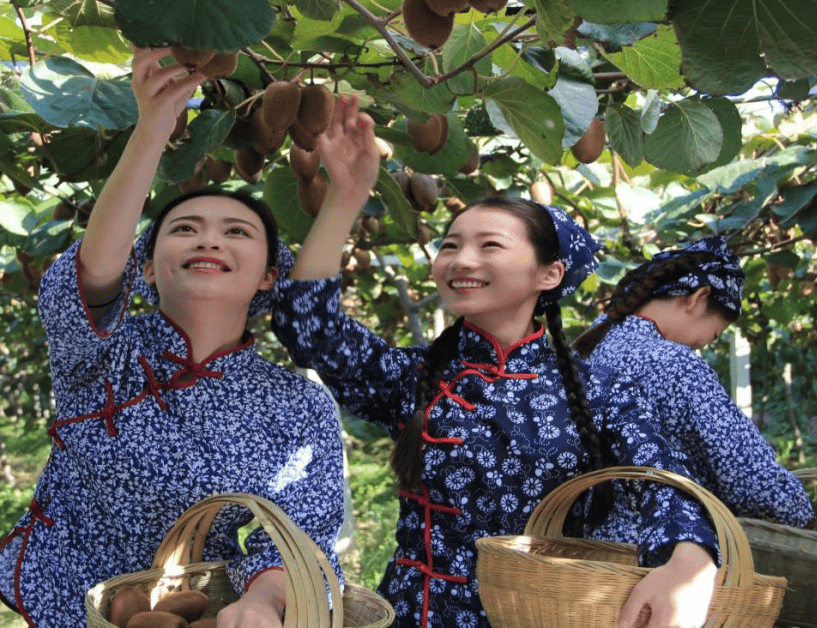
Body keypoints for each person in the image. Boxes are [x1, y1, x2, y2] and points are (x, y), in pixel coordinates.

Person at [270, 96, 722, 628]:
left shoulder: (601, 390)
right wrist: (345, 197)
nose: (462, 260)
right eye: (451, 245)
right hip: (412, 616)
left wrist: (691, 557)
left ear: (548, 275)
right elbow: (309, 327)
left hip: (539, 616)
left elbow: (666, 482)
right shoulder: (417, 377)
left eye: (490, 246)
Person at [0, 47, 346, 628]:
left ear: (267, 275)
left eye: (236, 231)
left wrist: (260, 602)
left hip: (207, 610)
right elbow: (90, 274)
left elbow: (302, 527)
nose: (209, 240)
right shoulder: (104, 357)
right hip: (72, 600)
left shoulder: (297, 404)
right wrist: (152, 129)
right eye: (183, 229)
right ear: (147, 267)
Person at [572, 236, 813, 544]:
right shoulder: (673, 363)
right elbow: (751, 479)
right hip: (657, 554)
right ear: (699, 297)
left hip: (583, 546)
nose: (705, 342)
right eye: (716, 332)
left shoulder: (587, 347)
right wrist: (800, 510)